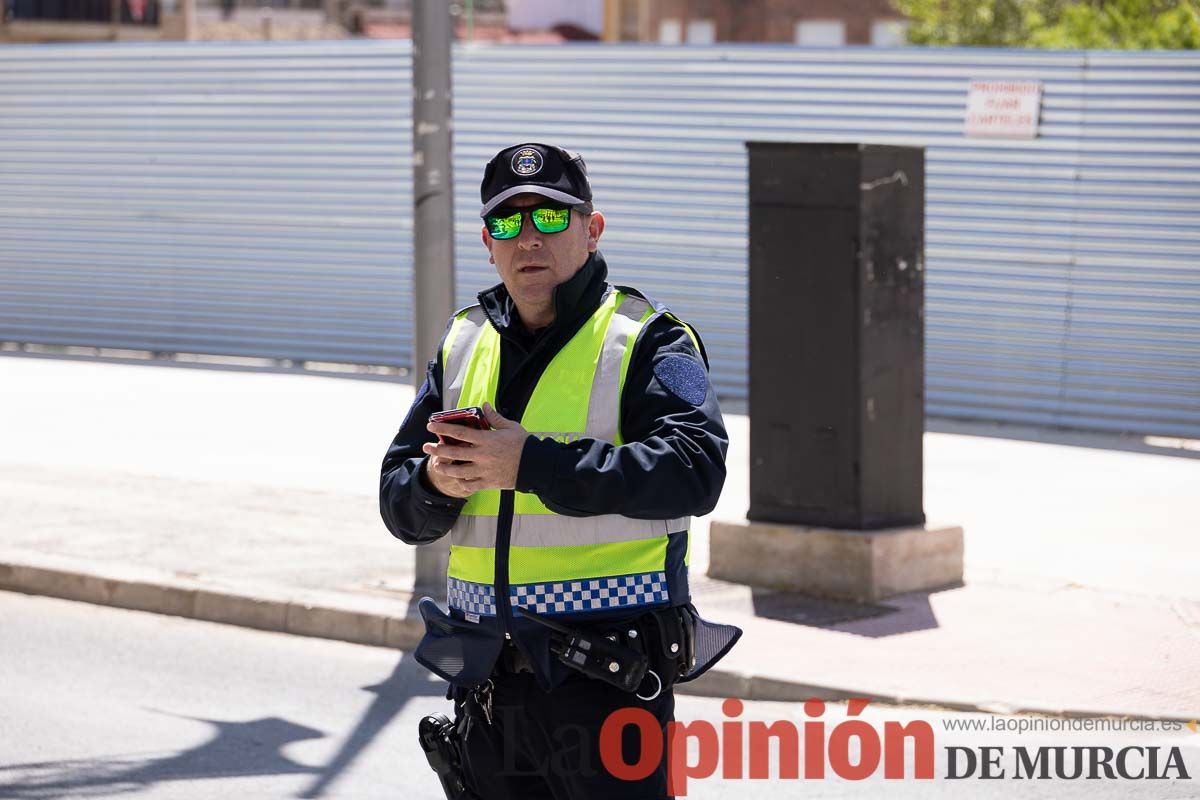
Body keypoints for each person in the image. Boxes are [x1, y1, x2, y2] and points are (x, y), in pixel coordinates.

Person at [380, 142, 740, 800]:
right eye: (507, 222)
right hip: (487, 691)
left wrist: (533, 463)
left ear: (591, 229)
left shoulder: (650, 339)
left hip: (606, 688)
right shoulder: (464, 339)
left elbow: (697, 469)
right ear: (487, 241)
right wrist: (437, 485)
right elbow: (397, 500)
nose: (528, 239)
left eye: (549, 217)